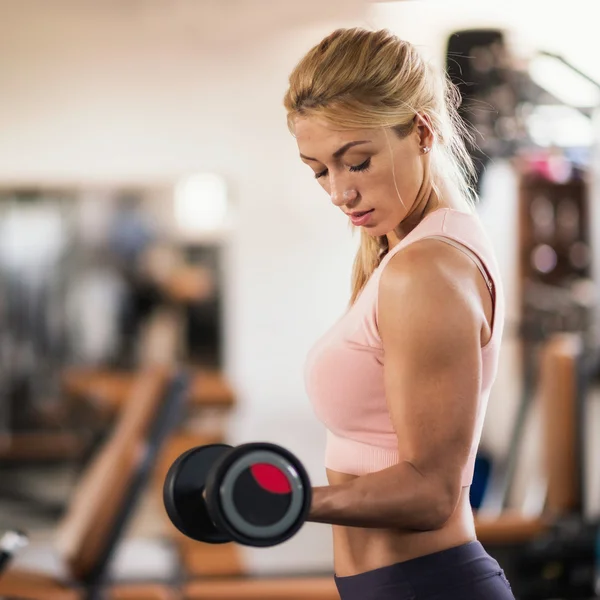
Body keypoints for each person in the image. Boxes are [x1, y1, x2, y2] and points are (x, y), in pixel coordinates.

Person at [283, 28, 514, 599]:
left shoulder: (426, 268)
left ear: (421, 131)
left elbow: (431, 492)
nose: (339, 192)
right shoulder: (408, 251)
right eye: (319, 170)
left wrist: (281, 500)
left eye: (355, 162)